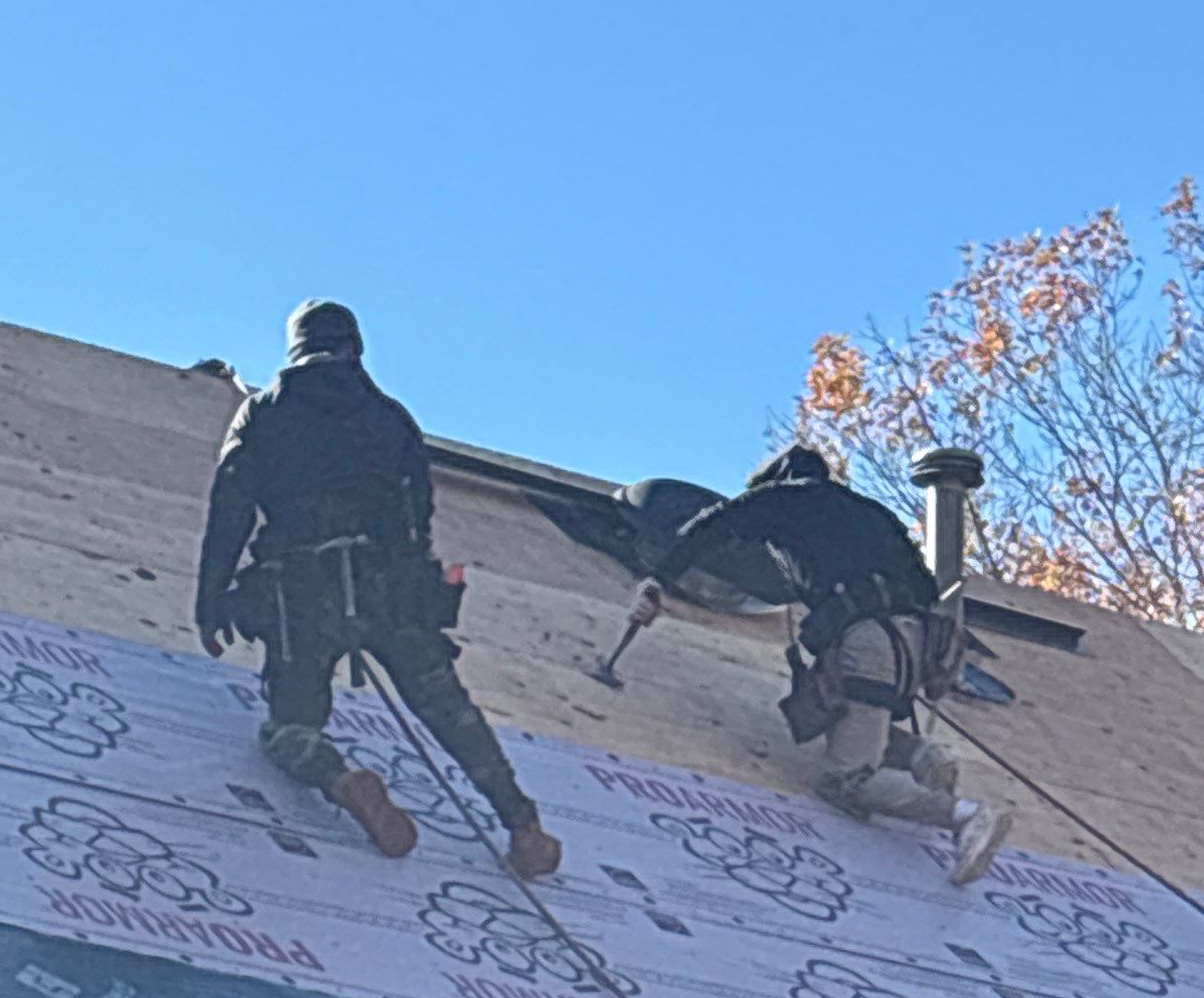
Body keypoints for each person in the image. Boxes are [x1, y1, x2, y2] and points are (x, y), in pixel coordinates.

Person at [194, 300, 562, 877]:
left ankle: (342, 778)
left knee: (290, 726)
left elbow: (231, 508)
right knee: (447, 708)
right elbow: (420, 512)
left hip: (301, 589)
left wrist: (210, 601)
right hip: (390, 585)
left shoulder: (263, 412)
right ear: (355, 349)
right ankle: (524, 825)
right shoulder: (392, 417)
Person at [627, 445, 1013, 885]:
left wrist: (657, 578)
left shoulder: (783, 498)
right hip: (914, 640)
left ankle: (967, 816)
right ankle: (924, 754)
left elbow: (712, 524)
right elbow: (926, 587)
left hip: (867, 639)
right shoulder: (870, 513)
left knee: (845, 780)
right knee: (851, 721)